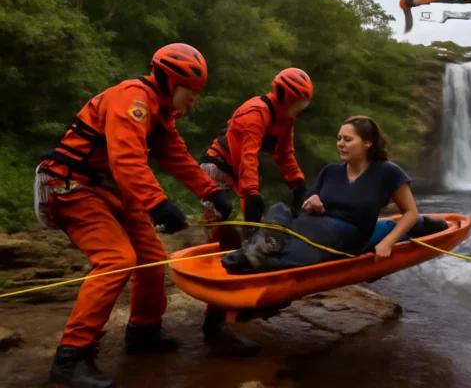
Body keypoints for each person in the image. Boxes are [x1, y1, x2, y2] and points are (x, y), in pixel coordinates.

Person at [32, 43, 233, 388]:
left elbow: (177, 158)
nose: (194, 100)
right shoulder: (133, 100)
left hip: (111, 189)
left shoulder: (161, 113)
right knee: (116, 259)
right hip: (69, 185)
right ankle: (71, 356)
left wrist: (210, 190)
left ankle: (143, 330)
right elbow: (126, 160)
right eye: (191, 92)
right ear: (170, 83)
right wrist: (158, 204)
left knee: (152, 257)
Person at [221, 115, 447, 276]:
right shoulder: (330, 171)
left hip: (347, 236)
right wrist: (312, 204)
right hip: (312, 225)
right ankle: (261, 249)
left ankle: (257, 256)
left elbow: (409, 212)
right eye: (339, 138)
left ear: (367, 143)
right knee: (280, 210)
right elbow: (303, 209)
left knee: (299, 255)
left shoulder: (387, 171)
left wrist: (387, 244)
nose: (340, 144)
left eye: (347, 140)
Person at [196, 67, 313, 355]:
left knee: (259, 240)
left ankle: (245, 302)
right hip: (216, 172)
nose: (300, 109)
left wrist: (298, 184)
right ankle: (215, 325)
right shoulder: (254, 113)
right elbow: (246, 156)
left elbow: (284, 153)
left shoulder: (285, 119)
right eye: (298, 103)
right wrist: (252, 194)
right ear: (286, 97)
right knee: (228, 241)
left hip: (238, 174)